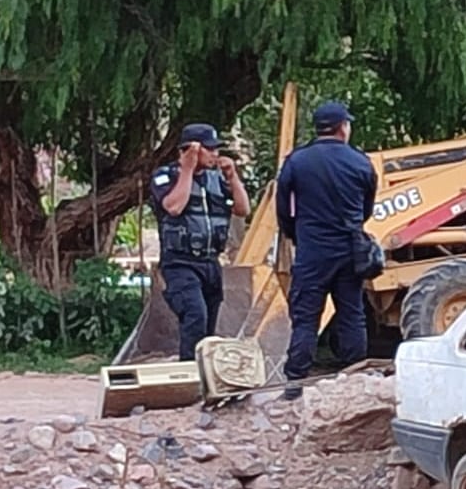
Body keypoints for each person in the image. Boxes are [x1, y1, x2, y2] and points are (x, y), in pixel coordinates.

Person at [275, 101, 378, 398]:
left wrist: (298, 235)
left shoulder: (297, 161)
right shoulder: (360, 162)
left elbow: (283, 208)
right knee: (352, 313)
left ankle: (294, 383)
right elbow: (366, 209)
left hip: (312, 251)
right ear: (343, 127)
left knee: (306, 316)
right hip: (350, 251)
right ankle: (355, 380)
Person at [149, 123, 251, 361]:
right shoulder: (166, 176)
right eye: (209, 149)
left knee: (207, 328)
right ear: (190, 149)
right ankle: (190, 372)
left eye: (217, 149)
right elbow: (173, 207)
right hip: (180, 263)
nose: (216, 154)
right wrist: (187, 169)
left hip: (210, 263)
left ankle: (206, 378)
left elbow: (243, 209)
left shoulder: (216, 180)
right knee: (195, 314)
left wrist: (232, 176)